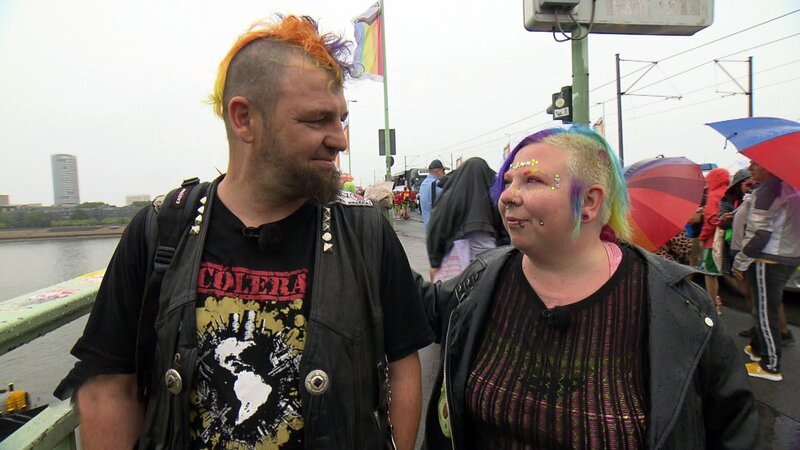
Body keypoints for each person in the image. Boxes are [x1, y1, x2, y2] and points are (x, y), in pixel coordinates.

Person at [55, 16, 433, 449]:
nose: (341, 140)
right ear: (244, 120)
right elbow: (108, 389)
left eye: (342, 119)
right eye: (317, 120)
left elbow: (403, 364)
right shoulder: (161, 229)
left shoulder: (364, 231)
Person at [416, 127, 756, 449]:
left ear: (590, 202)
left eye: (532, 180)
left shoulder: (681, 306)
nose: (507, 196)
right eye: (508, 182)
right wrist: (368, 229)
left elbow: (734, 430)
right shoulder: (483, 278)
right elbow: (414, 305)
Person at [733, 160, 800, 382]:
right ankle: (759, 348)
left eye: (755, 164)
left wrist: (740, 262)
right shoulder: (788, 187)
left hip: (768, 259)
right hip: (786, 256)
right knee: (766, 306)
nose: (750, 168)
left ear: (770, 166)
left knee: (764, 311)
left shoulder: (769, 189)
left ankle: (770, 364)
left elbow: (760, 233)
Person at [426, 157, 509, 282]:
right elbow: (505, 229)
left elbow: (437, 227)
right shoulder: (494, 196)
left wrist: (435, 261)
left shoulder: (449, 196)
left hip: (455, 259)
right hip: (490, 257)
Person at [698, 167, 730, 313]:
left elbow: (711, 221)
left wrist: (702, 237)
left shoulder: (714, 194)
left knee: (709, 273)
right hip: (726, 240)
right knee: (724, 272)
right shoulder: (728, 192)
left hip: (712, 242)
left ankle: (713, 304)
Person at [419, 159, 446, 232]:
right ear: (437, 170)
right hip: (437, 229)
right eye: (443, 171)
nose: (444, 174)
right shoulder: (436, 185)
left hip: (428, 227)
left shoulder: (423, 184)